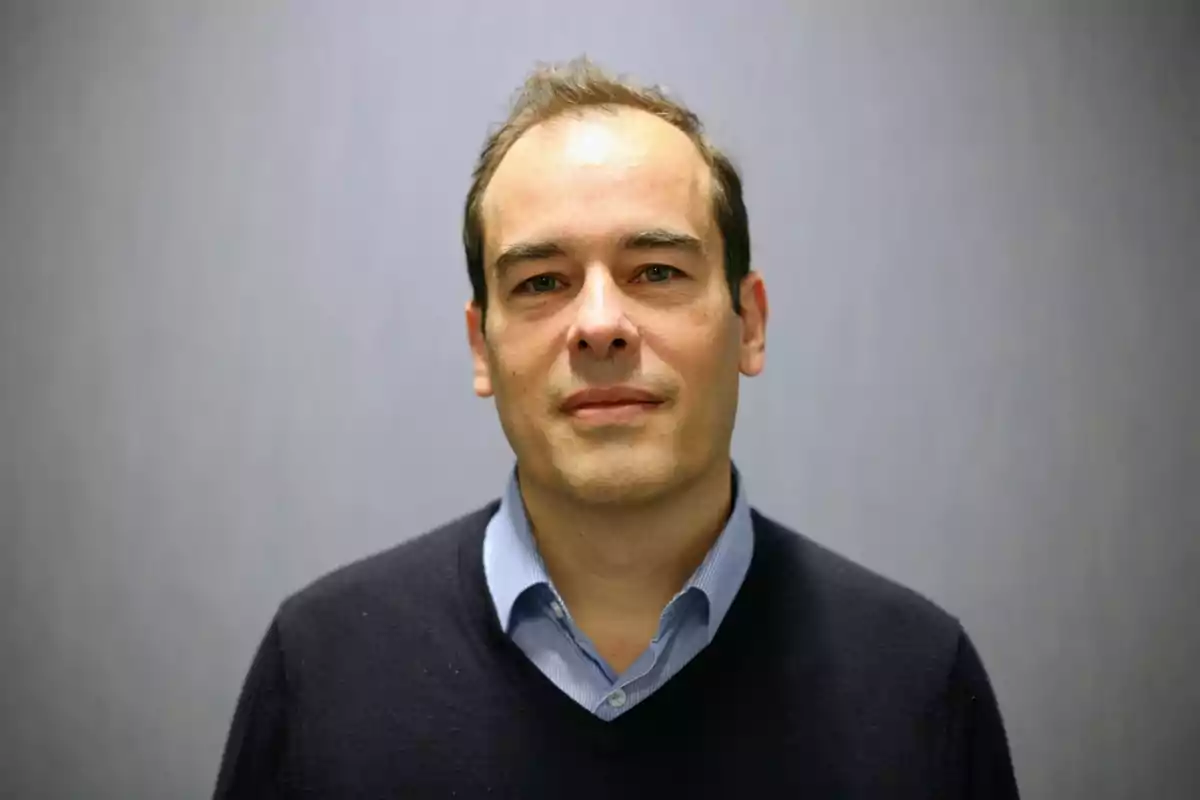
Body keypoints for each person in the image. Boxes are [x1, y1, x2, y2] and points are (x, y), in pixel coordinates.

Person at [213, 57, 1019, 798]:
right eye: (541, 281)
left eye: (658, 271)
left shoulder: (917, 680)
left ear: (750, 324)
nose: (600, 325)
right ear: (480, 345)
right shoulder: (320, 669)